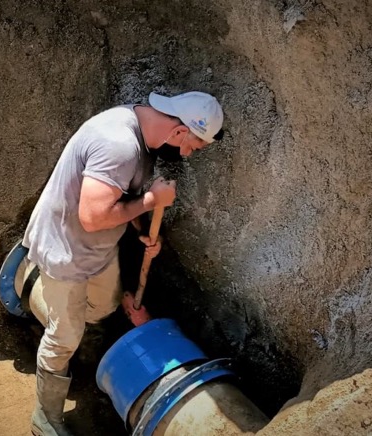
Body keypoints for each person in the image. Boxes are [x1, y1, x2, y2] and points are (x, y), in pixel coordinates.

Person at [22, 91, 224, 435]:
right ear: (178, 132)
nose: (188, 154)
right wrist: (151, 200)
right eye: (192, 145)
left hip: (98, 250)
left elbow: (119, 196)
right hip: (66, 251)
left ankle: (81, 347)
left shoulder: (142, 136)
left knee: (104, 305)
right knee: (63, 337)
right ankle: (46, 416)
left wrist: (143, 232)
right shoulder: (119, 145)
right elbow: (91, 216)